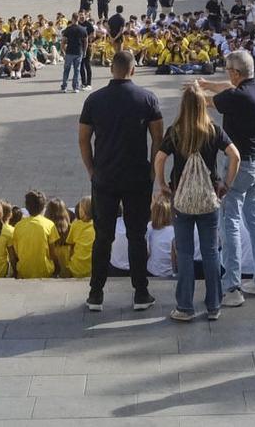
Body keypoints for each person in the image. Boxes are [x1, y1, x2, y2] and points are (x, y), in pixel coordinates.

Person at [78, 48, 165, 312]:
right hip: (137, 176)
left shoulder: (94, 99)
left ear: (111, 69)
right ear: (133, 70)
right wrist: (153, 172)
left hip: (105, 176)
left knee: (102, 236)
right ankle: (140, 293)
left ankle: (96, 294)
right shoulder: (147, 98)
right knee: (137, 235)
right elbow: (158, 139)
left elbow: (84, 139)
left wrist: (92, 170)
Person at [195, 50, 255, 304]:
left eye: (228, 70)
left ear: (235, 72)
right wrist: (208, 83)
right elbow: (227, 87)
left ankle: (232, 287)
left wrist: (196, 90)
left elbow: (206, 102)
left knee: (229, 221)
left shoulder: (236, 97)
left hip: (241, 165)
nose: (227, 75)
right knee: (254, 218)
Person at [155, 84, 239, 321]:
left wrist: (162, 185)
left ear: (183, 106)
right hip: (208, 197)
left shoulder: (176, 131)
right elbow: (235, 155)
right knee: (211, 251)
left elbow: (160, 158)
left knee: (185, 252)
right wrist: (226, 184)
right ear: (204, 106)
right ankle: (213, 305)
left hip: (181, 199)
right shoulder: (213, 130)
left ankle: (184, 307)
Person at [59, 15, 87, 92]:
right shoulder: (82, 29)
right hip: (78, 51)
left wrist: (63, 51)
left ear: (72, 19)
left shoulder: (68, 29)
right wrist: (84, 51)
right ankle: (75, 87)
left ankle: (64, 87)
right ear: (78, 19)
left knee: (66, 70)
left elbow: (63, 41)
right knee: (77, 70)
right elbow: (85, 41)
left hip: (69, 52)